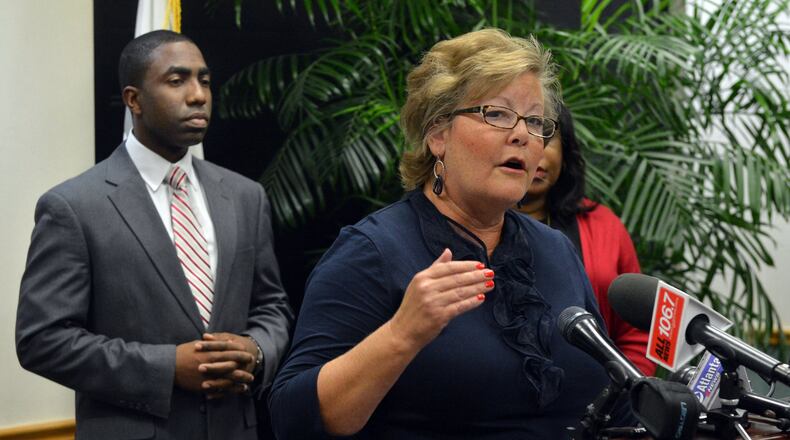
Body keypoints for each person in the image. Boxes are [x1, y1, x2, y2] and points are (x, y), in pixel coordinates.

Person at [269, 28, 632, 439]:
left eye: (535, 121)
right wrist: (401, 335)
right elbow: (292, 418)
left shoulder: (555, 250)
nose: (522, 135)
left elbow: (611, 402)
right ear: (438, 135)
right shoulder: (374, 251)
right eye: (496, 113)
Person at [15, 30, 293, 440]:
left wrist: (255, 350)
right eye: (177, 80)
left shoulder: (244, 196)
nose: (198, 95)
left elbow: (272, 306)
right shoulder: (74, 206)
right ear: (134, 99)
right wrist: (164, 368)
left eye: (204, 80)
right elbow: (42, 340)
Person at [517, 104, 655, 376]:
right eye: (524, 138)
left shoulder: (604, 225)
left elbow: (637, 333)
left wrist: (625, 393)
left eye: (545, 136)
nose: (535, 151)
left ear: (566, 152)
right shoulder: (472, 224)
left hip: (602, 404)